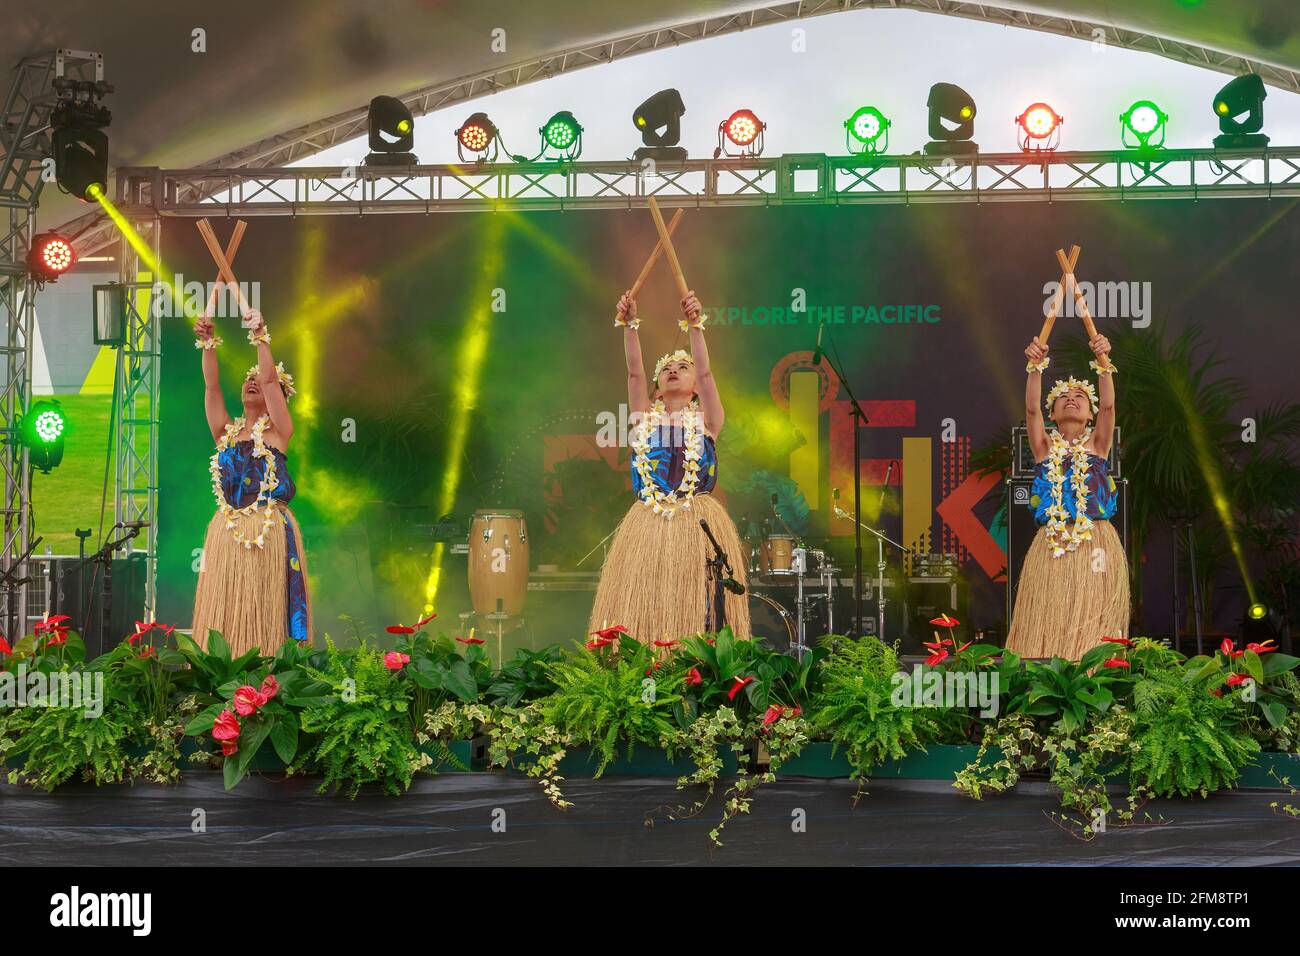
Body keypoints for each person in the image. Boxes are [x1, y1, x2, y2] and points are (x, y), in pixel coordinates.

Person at [587, 289, 751, 644]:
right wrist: (629, 324)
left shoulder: (708, 420)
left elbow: (707, 374)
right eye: (665, 370)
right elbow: (633, 375)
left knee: (697, 599)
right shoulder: (643, 418)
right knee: (646, 600)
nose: (673, 371)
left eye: (682, 368)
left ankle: (697, 666)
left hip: (697, 523)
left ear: (694, 390)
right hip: (648, 522)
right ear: (657, 391)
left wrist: (696, 325)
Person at [190, 308, 312, 657]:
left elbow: (272, 381)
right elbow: (212, 386)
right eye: (248, 378)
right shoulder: (224, 433)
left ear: (279, 403)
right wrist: (207, 342)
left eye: (259, 379)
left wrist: (260, 333)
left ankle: (267, 667)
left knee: (263, 604)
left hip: (268, 530)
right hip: (227, 531)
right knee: (225, 602)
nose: (253, 381)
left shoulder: (278, 433)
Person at [1005, 332, 1129, 659]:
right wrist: (1035, 367)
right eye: (1063, 397)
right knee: (1048, 613)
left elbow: (1111, 405)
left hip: (1096, 541)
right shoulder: (1044, 448)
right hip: (1052, 541)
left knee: (1093, 611)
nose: (1071, 398)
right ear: (1054, 414)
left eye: (1080, 397)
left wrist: (1104, 361)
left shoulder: (1098, 445)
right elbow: (1031, 412)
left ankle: (1093, 672)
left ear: (1091, 414)